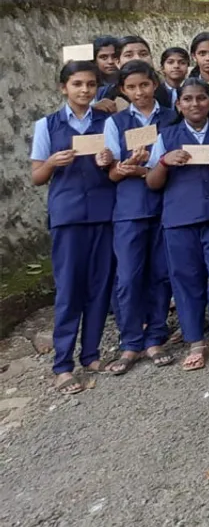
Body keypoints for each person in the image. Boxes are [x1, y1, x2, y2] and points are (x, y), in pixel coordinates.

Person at [145, 79, 209, 371]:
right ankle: (195, 341)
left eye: (201, 98)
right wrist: (164, 162)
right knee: (186, 280)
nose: (195, 104)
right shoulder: (167, 136)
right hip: (180, 218)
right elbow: (151, 182)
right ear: (178, 104)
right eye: (187, 99)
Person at [31, 60, 116, 394]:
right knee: (69, 289)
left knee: (99, 286)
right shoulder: (47, 125)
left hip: (104, 212)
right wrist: (52, 162)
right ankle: (63, 365)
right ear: (63, 87)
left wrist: (109, 160)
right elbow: (37, 176)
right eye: (78, 84)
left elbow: (117, 163)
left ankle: (91, 355)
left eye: (91, 85)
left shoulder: (107, 121)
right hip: (67, 215)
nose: (84, 90)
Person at [104, 60, 177, 374]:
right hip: (130, 209)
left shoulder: (172, 116)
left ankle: (156, 337)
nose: (139, 92)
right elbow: (112, 173)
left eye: (144, 85)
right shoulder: (116, 123)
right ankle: (130, 341)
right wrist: (127, 166)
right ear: (122, 90)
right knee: (129, 277)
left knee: (161, 273)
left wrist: (150, 167)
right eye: (131, 87)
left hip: (166, 205)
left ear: (154, 84)